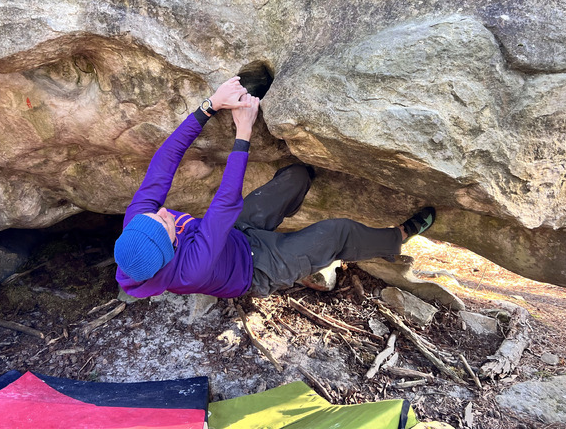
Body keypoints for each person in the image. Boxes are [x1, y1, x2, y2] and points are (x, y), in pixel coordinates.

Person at [113, 76, 436, 298]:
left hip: (236, 236)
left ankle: (305, 245)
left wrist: (209, 105)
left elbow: (164, 162)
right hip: (257, 269)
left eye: (153, 216)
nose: (164, 213)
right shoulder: (190, 270)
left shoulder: (138, 224)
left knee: (295, 176)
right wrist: (244, 131)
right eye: (165, 224)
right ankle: (397, 238)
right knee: (338, 232)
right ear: (169, 250)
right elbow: (225, 204)